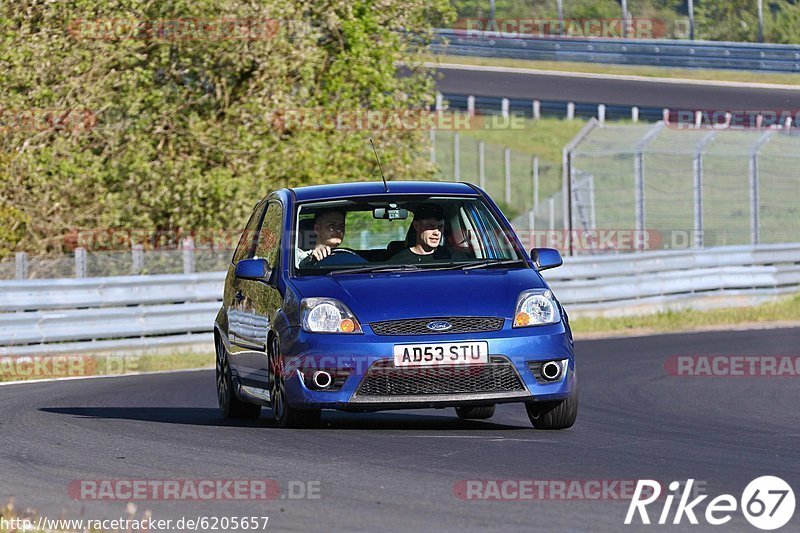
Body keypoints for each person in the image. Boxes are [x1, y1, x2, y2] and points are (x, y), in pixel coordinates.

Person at [390, 203, 465, 264]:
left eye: (440, 226)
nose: (436, 232)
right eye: (430, 226)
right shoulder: (399, 262)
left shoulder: (456, 259)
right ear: (416, 226)